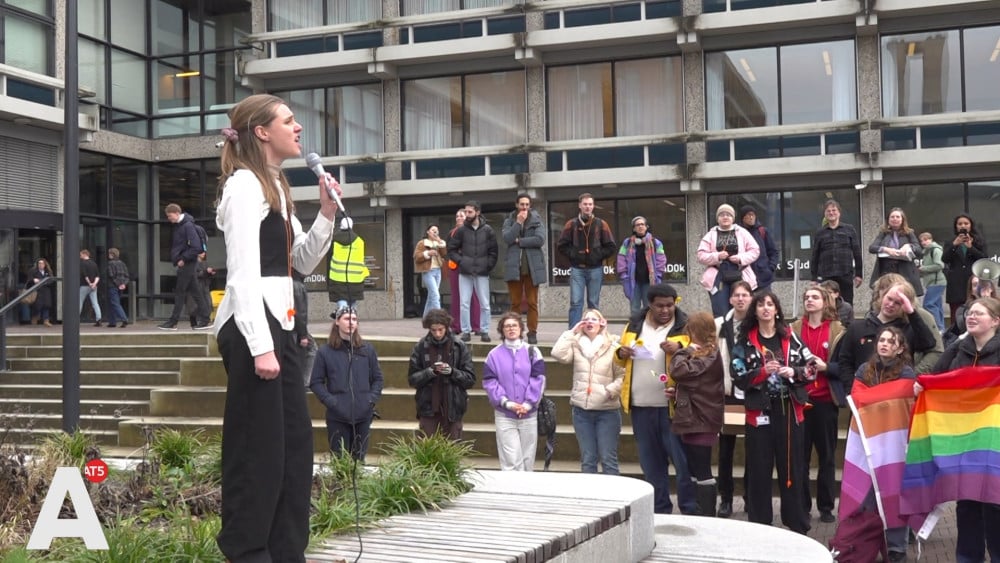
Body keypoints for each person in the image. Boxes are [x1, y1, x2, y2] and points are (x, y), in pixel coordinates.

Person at [212, 93, 339, 562]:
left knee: (293, 448)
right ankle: (247, 551)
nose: (298, 127)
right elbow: (242, 273)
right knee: (257, 450)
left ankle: (287, 552)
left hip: (281, 322)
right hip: (254, 326)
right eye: (289, 120)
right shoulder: (244, 186)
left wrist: (326, 213)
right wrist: (260, 345)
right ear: (262, 132)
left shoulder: (276, 186)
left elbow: (299, 263)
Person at [730, 290, 815, 534]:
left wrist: (794, 372)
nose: (766, 308)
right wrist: (764, 372)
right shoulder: (744, 342)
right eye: (760, 305)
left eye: (770, 304)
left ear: (777, 309)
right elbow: (737, 377)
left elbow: (811, 369)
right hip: (759, 413)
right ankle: (760, 524)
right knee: (759, 468)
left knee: (793, 468)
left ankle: (797, 522)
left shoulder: (791, 337)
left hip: (789, 411)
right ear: (754, 311)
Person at [830, 326, 916, 563]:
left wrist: (875, 400)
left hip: (893, 444)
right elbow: (858, 401)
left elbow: (899, 402)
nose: (884, 344)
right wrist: (880, 400)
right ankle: (865, 545)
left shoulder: (907, 373)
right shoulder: (864, 369)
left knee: (894, 495)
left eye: (891, 341)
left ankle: (896, 549)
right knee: (868, 496)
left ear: (900, 349)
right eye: (882, 340)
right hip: (867, 441)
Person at [615, 283, 697, 514]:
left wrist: (680, 346)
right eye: (660, 306)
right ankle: (660, 509)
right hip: (641, 406)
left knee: (682, 463)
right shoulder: (633, 324)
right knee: (651, 466)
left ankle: (689, 509)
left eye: (670, 305)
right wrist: (621, 353)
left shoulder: (685, 325)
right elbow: (620, 359)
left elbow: (701, 352)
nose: (665, 310)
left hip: (673, 407)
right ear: (649, 304)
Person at [931, 297, 1000, 563]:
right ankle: (967, 558)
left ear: (995, 321)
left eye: (979, 314)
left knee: (995, 503)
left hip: (994, 441)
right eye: (970, 313)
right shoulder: (959, 349)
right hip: (963, 440)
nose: (971, 317)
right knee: (968, 502)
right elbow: (936, 378)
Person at [791, 284, 846, 524]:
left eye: (815, 297)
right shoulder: (793, 329)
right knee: (800, 457)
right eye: (806, 297)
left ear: (825, 301)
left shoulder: (838, 331)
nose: (809, 300)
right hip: (800, 402)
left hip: (825, 401)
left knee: (826, 456)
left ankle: (826, 506)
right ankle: (802, 505)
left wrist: (827, 367)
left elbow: (846, 366)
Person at [551, 308, 624, 475]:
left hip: (607, 411)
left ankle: (614, 499)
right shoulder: (576, 345)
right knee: (588, 458)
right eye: (586, 319)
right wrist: (572, 332)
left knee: (608, 458)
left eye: (594, 319)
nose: (589, 322)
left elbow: (623, 375)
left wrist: (610, 391)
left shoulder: (613, 346)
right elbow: (557, 354)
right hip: (581, 412)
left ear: (602, 323)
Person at [667, 311, 725, 517]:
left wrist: (683, 351)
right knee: (693, 470)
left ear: (694, 330)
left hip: (702, 418)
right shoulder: (705, 352)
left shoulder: (708, 353)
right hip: (694, 417)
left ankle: (708, 516)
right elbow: (695, 382)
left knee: (702, 471)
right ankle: (697, 512)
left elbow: (679, 371)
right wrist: (678, 391)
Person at [310, 307, 383, 460]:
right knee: (340, 462)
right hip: (337, 415)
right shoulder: (325, 352)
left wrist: (370, 400)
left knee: (359, 460)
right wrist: (332, 402)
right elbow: (316, 382)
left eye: (354, 319)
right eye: (347, 319)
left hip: (363, 414)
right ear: (337, 321)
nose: (351, 323)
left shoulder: (367, 350)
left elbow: (377, 379)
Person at [839, 279, 938, 391]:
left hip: (896, 396)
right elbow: (845, 361)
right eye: (889, 299)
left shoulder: (909, 329)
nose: (891, 305)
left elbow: (929, 344)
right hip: (862, 394)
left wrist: (911, 313)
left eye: (897, 303)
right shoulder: (857, 327)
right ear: (882, 297)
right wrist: (851, 391)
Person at [482, 312, 546, 471]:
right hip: (505, 414)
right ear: (502, 330)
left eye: (514, 325)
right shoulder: (493, 355)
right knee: (511, 461)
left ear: (521, 328)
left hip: (529, 414)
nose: (511, 329)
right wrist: (507, 403)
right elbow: (490, 382)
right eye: (507, 326)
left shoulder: (533, 352)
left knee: (527, 460)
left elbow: (538, 379)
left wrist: (528, 404)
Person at [715, 280, 753, 518]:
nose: (740, 299)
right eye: (736, 295)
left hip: (752, 394)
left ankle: (751, 497)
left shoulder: (759, 323)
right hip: (729, 395)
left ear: (751, 298)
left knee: (754, 449)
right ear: (730, 299)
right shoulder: (720, 324)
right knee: (725, 450)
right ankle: (726, 499)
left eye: (745, 295)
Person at [407, 308, 476, 440]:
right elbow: (412, 379)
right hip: (428, 407)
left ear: (446, 327)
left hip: (453, 407)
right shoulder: (421, 346)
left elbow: (470, 379)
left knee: (452, 450)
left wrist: (452, 372)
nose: (437, 334)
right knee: (428, 451)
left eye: (441, 329)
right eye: (433, 330)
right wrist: (430, 372)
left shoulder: (459, 346)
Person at [557, 192, 617, 328]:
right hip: (577, 269)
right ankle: (573, 333)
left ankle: (594, 331)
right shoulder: (571, 224)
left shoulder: (601, 224)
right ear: (580, 206)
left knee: (593, 303)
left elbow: (611, 246)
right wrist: (574, 254)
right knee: (576, 302)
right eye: (585, 204)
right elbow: (561, 245)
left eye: (590, 204)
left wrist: (597, 255)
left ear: (593, 206)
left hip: (595, 269)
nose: (587, 207)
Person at [447, 200, 498, 343]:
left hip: (482, 271)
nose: (467, 215)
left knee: (485, 304)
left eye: (470, 212)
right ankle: (466, 331)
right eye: (466, 212)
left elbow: (493, 251)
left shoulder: (488, 230)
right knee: (464, 303)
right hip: (465, 271)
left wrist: (488, 265)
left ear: (478, 212)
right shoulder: (462, 230)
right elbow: (451, 249)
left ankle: (485, 330)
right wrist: (461, 261)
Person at [697, 203, 760, 317]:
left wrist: (740, 258)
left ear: (733, 218)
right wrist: (716, 256)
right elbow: (701, 255)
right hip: (719, 275)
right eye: (722, 215)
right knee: (720, 311)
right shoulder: (710, 235)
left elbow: (755, 250)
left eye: (728, 215)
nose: (725, 217)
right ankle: (723, 334)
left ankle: (743, 333)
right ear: (718, 218)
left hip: (740, 274)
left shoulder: (742, 232)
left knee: (743, 309)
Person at [502, 193, 546, 344]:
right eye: (522, 204)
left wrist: (519, 241)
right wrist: (518, 223)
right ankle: (516, 332)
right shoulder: (509, 220)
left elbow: (540, 239)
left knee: (532, 302)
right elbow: (507, 238)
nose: (525, 207)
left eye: (527, 204)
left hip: (532, 268)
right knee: (515, 303)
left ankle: (532, 332)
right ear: (517, 205)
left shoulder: (537, 220)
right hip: (514, 268)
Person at [160, 203, 212, 330]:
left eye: (169, 215)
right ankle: (205, 318)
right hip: (188, 263)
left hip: (187, 264)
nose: (168, 218)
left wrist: (183, 259)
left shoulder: (187, 226)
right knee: (196, 292)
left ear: (177, 213)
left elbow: (196, 247)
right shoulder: (183, 226)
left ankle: (173, 322)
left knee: (180, 292)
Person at [811, 199, 864, 307]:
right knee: (827, 305)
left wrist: (859, 274)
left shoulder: (849, 229)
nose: (831, 213)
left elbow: (857, 253)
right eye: (828, 211)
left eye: (834, 210)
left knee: (847, 305)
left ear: (839, 213)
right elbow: (815, 256)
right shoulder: (820, 233)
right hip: (827, 275)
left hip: (845, 274)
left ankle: (846, 324)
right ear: (825, 214)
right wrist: (813, 278)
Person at [616, 215, 667, 317]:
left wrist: (658, 275)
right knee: (634, 308)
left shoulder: (655, 243)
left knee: (649, 307)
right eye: (637, 225)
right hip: (633, 281)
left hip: (649, 281)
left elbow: (661, 259)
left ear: (646, 226)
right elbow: (621, 259)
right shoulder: (627, 243)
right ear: (634, 228)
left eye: (642, 224)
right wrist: (624, 275)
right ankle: (635, 329)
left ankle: (648, 328)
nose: (640, 226)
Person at [943, 213, 988, 323]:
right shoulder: (950, 242)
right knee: (956, 318)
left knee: (976, 314)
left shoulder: (978, 241)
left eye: (966, 223)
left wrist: (971, 248)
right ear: (956, 226)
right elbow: (945, 259)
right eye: (960, 224)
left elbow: (984, 259)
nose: (963, 226)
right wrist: (954, 245)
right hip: (956, 285)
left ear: (971, 225)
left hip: (973, 283)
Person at [868, 207, 923, 296]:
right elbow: (872, 248)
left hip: (905, 272)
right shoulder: (883, 233)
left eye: (898, 217)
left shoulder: (909, 233)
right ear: (888, 219)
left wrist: (909, 245)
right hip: (886, 272)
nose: (895, 219)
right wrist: (886, 249)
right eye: (892, 217)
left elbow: (919, 250)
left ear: (902, 219)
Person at [447, 209, 480, 334]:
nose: (459, 218)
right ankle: (456, 326)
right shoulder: (452, 232)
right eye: (457, 216)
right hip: (455, 266)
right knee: (456, 297)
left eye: (461, 215)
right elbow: (450, 249)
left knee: (473, 296)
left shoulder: (473, 231)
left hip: (471, 266)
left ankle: (476, 326)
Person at [327, 214, 368, 310]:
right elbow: (360, 260)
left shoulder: (334, 240)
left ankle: (343, 313)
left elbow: (329, 259)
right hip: (355, 279)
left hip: (337, 278)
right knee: (352, 304)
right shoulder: (359, 241)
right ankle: (351, 319)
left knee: (341, 301)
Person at [740, 206, 780, 293]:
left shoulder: (762, 231)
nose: (751, 217)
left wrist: (770, 268)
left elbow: (773, 252)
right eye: (748, 215)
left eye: (753, 215)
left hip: (763, 278)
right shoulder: (739, 233)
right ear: (743, 218)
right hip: (745, 278)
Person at [414, 224, 448, 317]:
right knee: (436, 295)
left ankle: (425, 318)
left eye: (437, 230)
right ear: (428, 232)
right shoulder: (422, 243)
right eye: (433, 230)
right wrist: (428, 253)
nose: (435, 232)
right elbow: (417, 257)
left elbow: (444, 253)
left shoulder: (438, 243)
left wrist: (440, 242)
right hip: (428, 272)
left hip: (438, 271)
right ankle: (439, 318)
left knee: (431, 296)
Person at [918, 231, 946, 332]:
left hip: (936, 282)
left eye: (926, 240)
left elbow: (939, 265)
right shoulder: (927, 252)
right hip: (932, 282)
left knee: (928, 304)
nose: (924, 242)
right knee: (937, 305)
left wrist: (923, 269)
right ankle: (941, 328)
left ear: (931, 239)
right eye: (922, 241)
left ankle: (939, 327)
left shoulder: (935, 250)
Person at [105, 248, 130, 328]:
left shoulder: (110, 263)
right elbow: (127, 276)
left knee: (114, 303)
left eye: (109, 254)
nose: (108, 255)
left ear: (112, 254)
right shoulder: (122, 263)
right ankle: (112, 322)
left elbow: (111, 275)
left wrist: (118, 284)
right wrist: (123, 284)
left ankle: (124, 319)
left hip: (113, 286)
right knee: (113, 303)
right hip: (121, 287)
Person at [78, 249, 103, 326]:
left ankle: (75, 319)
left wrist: (89, 283)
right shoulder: (94, 264)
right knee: (95, 303)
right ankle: (98, 319)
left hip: (85, 286)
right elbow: (97, 275)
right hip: (94, 286)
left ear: (85, 254)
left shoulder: (82, 264)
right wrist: (94, 284)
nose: (80, 256)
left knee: (79, 302)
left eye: (81, 254)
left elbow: (85, 275)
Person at [28, 258, 55, 327]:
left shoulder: (48, 271)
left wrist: (43, 282)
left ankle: (46, 320)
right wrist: (34, 280)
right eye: (39, 263)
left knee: (46, 305)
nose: (41, 265)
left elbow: (51, 280)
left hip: (46, 291)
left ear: (45, 264)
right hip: (37, 291)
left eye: (42, 263)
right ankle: (35, 318)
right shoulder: (33, 271)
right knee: (37, 306)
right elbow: (29, 280)